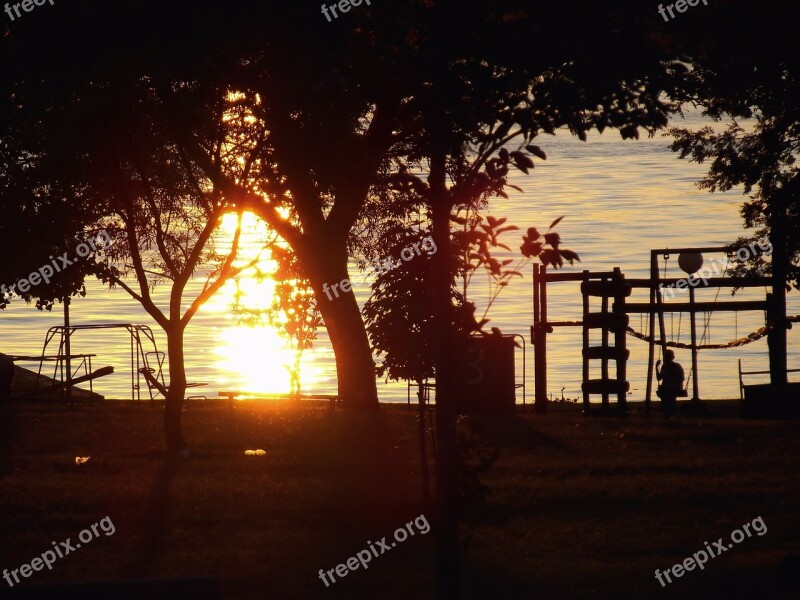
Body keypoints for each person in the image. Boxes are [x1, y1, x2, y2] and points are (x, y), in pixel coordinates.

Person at [656, 350, 684, 417]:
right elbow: (659, 378)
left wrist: (671, 383)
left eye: (667, 357)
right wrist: (656, 367)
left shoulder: (676, 366)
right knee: (663, 391)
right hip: (667, 387)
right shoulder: (664, 366)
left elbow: (681, 379)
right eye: (665, 357)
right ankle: (668, 412)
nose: (665, 358)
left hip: (675, 387)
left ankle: (669, 412)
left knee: (667, 393)